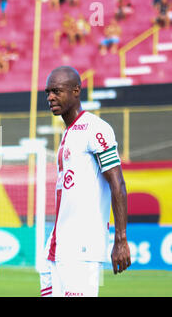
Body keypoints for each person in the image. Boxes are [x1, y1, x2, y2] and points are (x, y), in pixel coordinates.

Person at [40, 66, 131, 297]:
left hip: (82, 244)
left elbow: (117, 183)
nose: (50, 97)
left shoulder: (95, 128)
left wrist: (120, 239)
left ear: (76, 91)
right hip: (60, 243)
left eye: (57, 91)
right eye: (48, 92)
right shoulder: (69, 132)